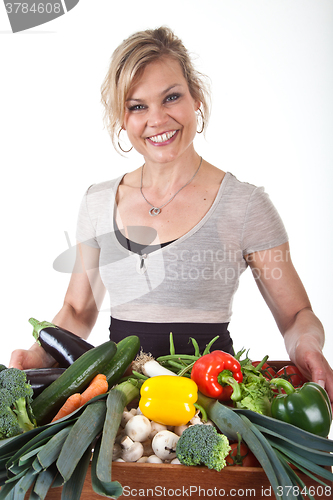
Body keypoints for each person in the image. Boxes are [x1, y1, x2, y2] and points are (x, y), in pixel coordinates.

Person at [9, 26, 333, 403]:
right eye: (137, 106)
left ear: (196, 97)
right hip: (119, 400)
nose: (157, 119)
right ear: (122, 118)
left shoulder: (245, 205)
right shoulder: (98, 202)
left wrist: (308, 347)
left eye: (171, 97)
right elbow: (77, 310)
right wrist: (39, 351)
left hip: (213, 402)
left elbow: (296, 315)